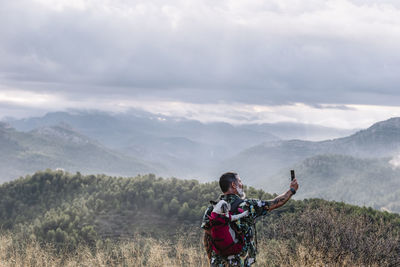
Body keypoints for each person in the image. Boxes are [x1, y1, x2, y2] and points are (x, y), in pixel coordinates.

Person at [201, 172, 299, 266]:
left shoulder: (211, 209)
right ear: (233, 185)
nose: (241, 184)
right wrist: (292, 190)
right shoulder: (248, 205)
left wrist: (212, 261)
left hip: (218, 263)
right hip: (240, 262)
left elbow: (207, 238)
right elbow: (276, 203)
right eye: (239, 181)